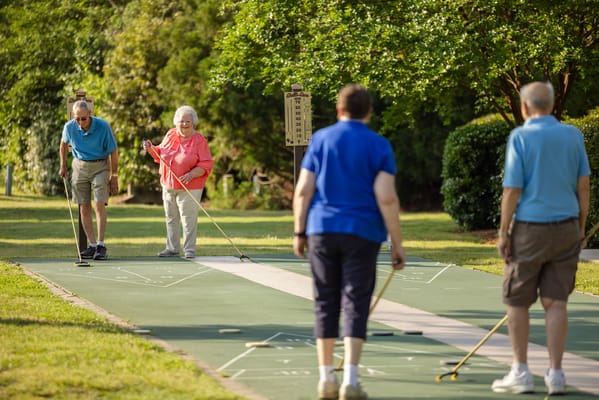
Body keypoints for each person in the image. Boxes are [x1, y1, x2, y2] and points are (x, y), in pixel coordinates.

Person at [293, 84, 407, 400]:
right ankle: (351, 380)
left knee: (325, 300)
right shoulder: (379, 145)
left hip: (322, 229)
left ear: (339, 109)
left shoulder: (321, 139)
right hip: (363, 231)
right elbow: (387, 198)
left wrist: (299, 231)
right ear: (369, 111)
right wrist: (397, 244)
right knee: (356, 300)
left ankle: (326, 377)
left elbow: (303, 190)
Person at [493, 81, 590, 395]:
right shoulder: (573, 135)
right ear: (551, 105)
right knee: (556, 302)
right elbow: (584, 185)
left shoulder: (520, 136)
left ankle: (520, 370)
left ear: (524, 107)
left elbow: (512, 190)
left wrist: (504, 231)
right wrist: (580, 226)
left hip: (530, 228)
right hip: (566, 226)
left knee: (517, 299)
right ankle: (556, 374)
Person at [143, 105, 213, 259]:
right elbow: (160, 153)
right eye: (181, 121)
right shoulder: (170, 134)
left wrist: (191, 174)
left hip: (190, 187)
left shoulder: (199, 140)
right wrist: (150, 148)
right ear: (176, 122)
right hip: (168, 184)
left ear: (193, 123)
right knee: (171, 218)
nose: (185, 124)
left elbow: (206, 163)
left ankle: (189, 250)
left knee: (188, 219)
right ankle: (172, 248)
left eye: (188, 121)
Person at [59, 100, 119, 260]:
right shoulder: (69, 127)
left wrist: (114, 176)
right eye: (76, 118)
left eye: (83, 119)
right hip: (79, 166)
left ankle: (101, 245)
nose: (79, 122)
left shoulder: (103, 126)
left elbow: (113, 151)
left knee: (99, 204)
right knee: (83, 205)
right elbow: (63, 144)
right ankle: (92, 245)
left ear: (90, 115)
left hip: (100, 165)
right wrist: (63, 165)